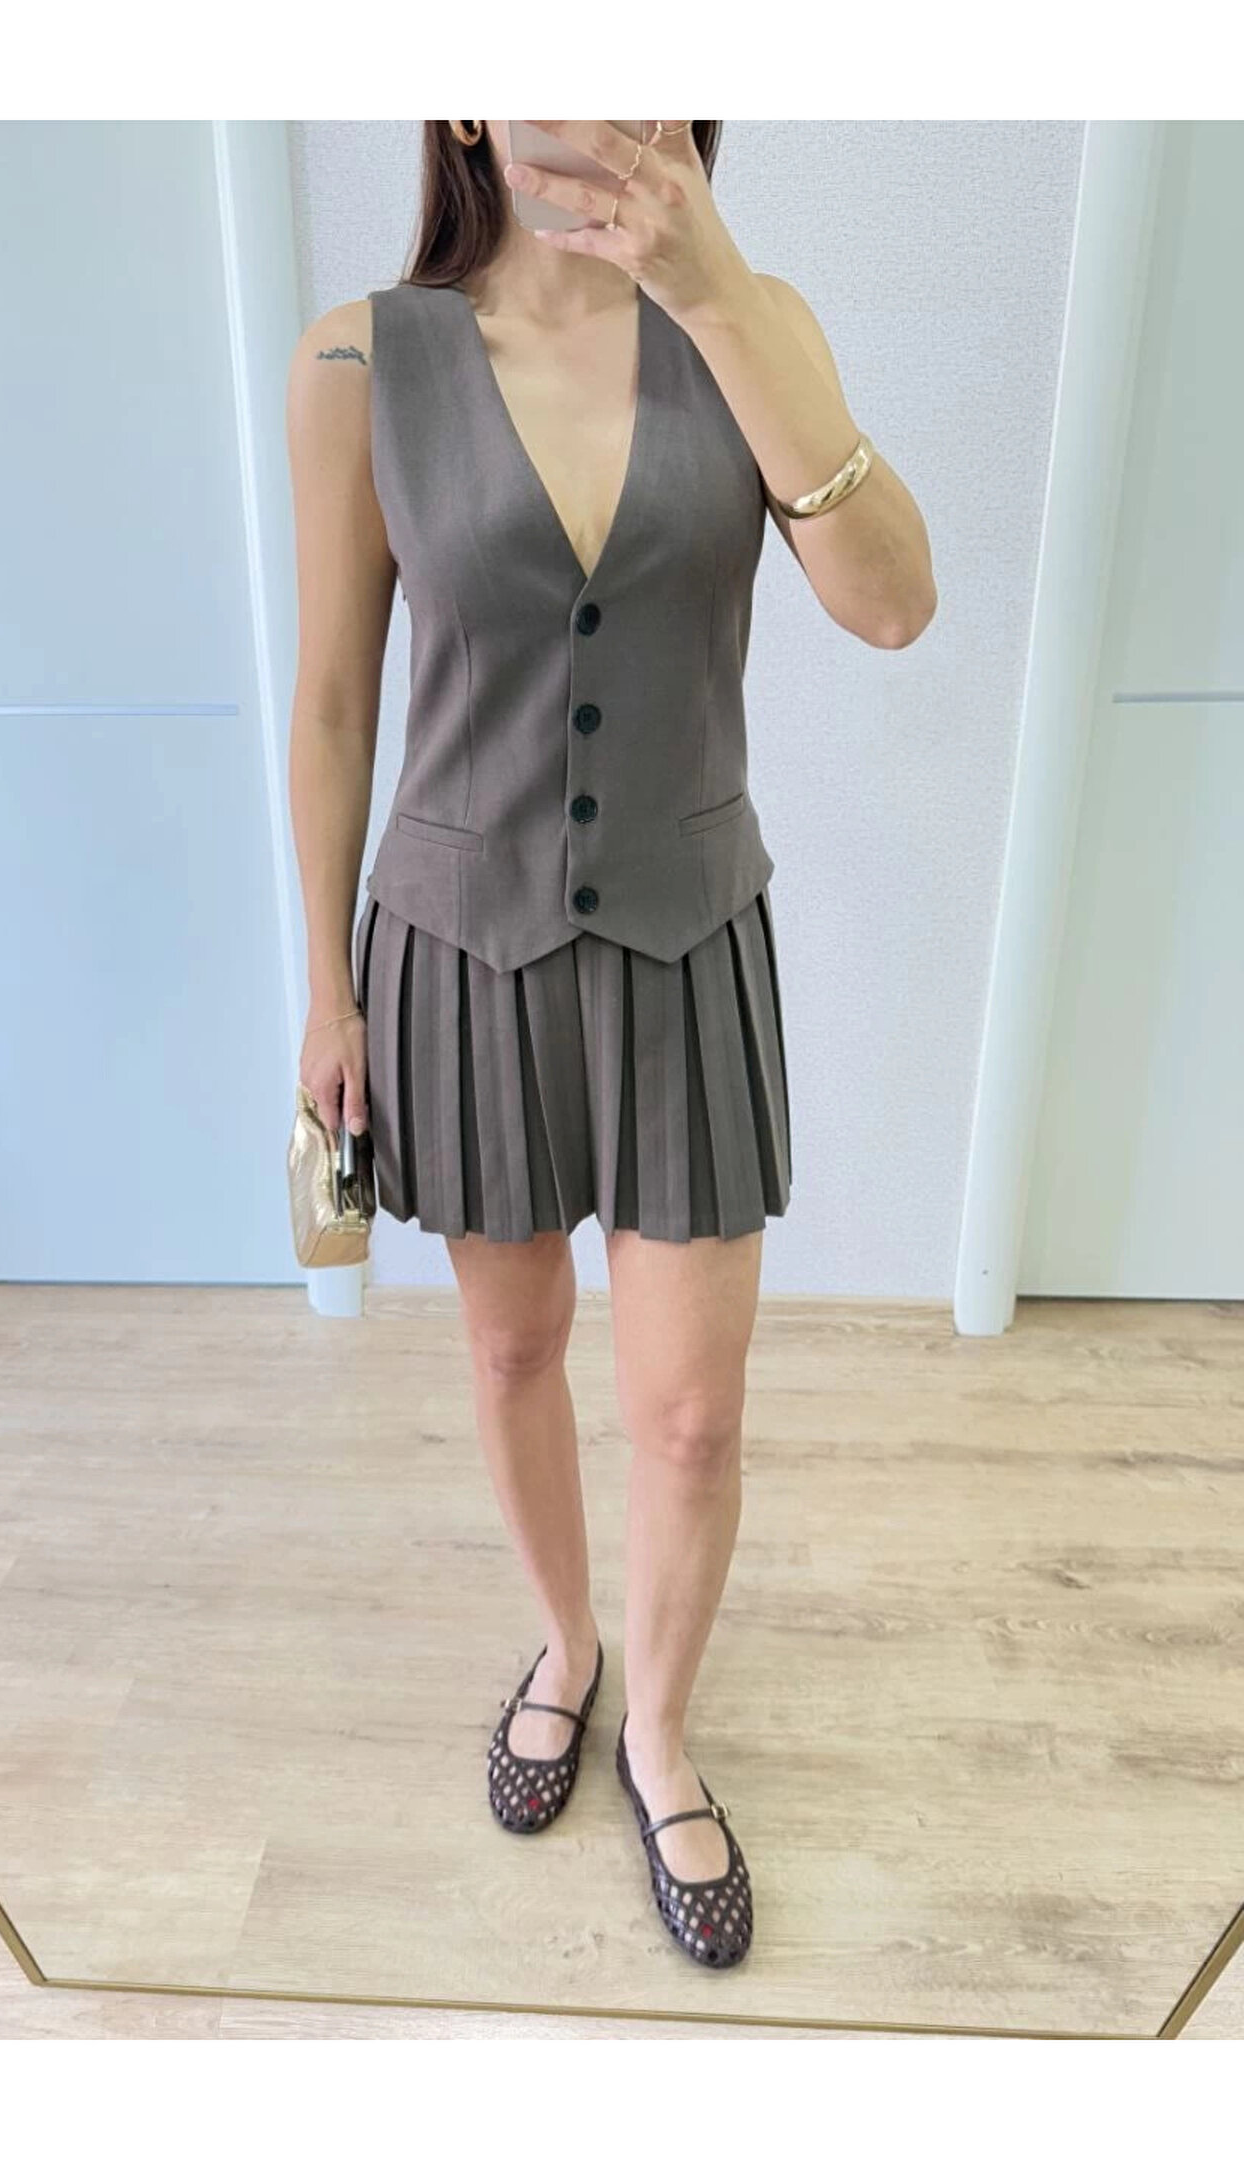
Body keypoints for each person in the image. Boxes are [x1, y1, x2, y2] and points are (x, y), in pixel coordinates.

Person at [287, 120, 935, 1970]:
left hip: (688, 937)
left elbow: (893, 605)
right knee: (511, 1349)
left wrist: (715, 296)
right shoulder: (360, 357)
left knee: (693, 1414)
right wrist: (326, 989)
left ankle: (658, 1729)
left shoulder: (754, 321)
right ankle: (564, 1646)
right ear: (466, 108)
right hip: (458, 946)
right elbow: (333, 699)